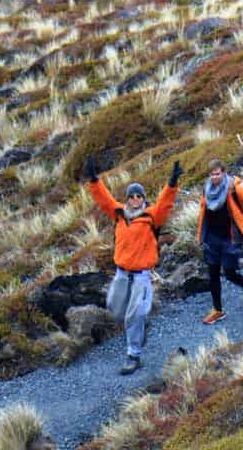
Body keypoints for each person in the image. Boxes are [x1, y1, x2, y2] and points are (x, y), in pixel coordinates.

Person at [81, 156, 182, 375]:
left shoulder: (152, 216)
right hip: (121, 274)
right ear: (127, 199)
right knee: (115, 309)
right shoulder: (118, 213)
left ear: (143, 198)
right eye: (132, 196)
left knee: (134, 315)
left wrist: (172, 183)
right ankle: (141, 325)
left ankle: (133, 356)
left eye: (139, 196)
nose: (135, 199)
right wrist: (93, 180)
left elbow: (165, 204)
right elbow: (104, 199)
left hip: (141, 276)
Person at [196, 158, 243, 324]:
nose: (215, 177)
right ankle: (218, 310)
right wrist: (200, 235)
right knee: (213, 273)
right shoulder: (207, 189)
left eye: (217, 174)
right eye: (212, 174)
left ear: (224, 173)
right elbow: (203, 212)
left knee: (229, 273)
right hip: (211, 237)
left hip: (230, 238)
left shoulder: (234, 187)